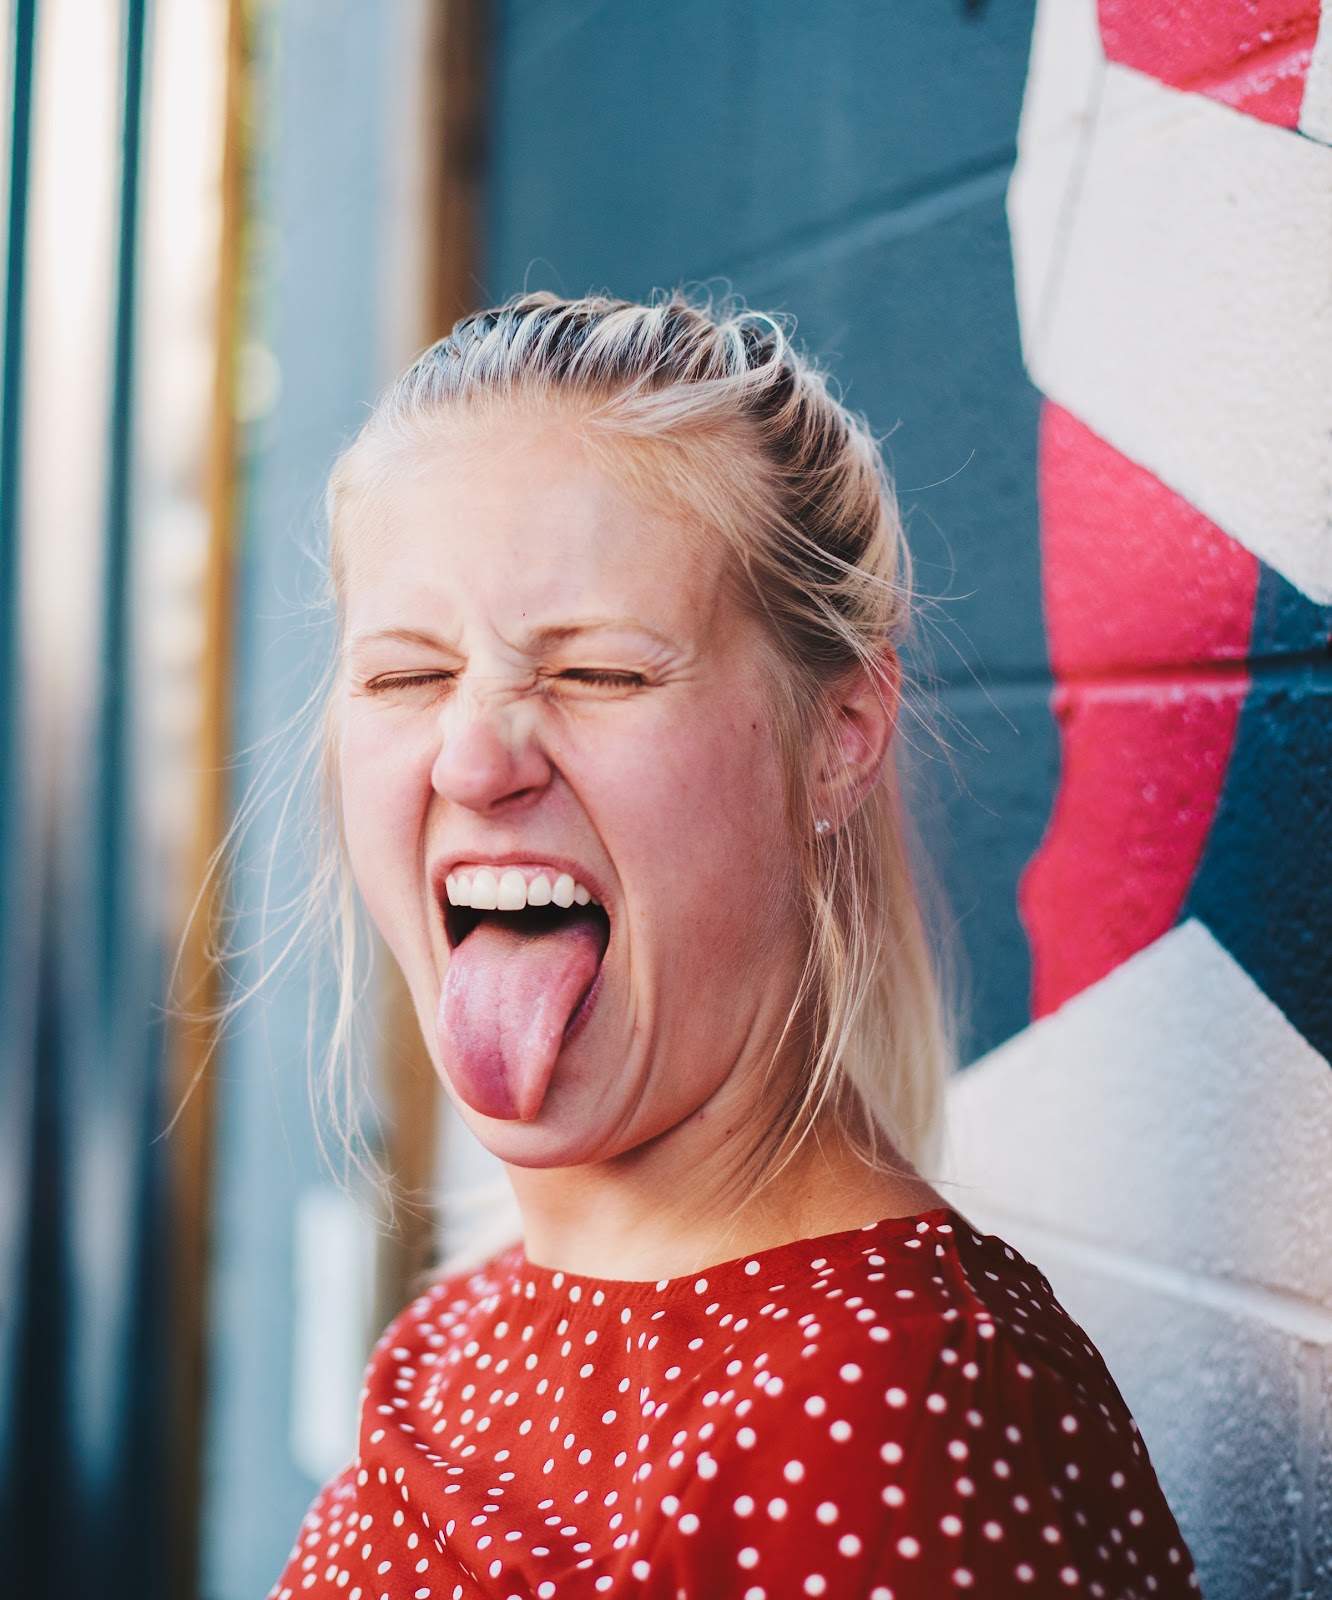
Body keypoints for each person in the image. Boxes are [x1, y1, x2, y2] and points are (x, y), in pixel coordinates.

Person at [270, 293, 1196, 1599]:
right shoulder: (455, 1333)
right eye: (405, 677)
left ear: (842, 736)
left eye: (600, 673)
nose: (473, 756)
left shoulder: (901, 1419)